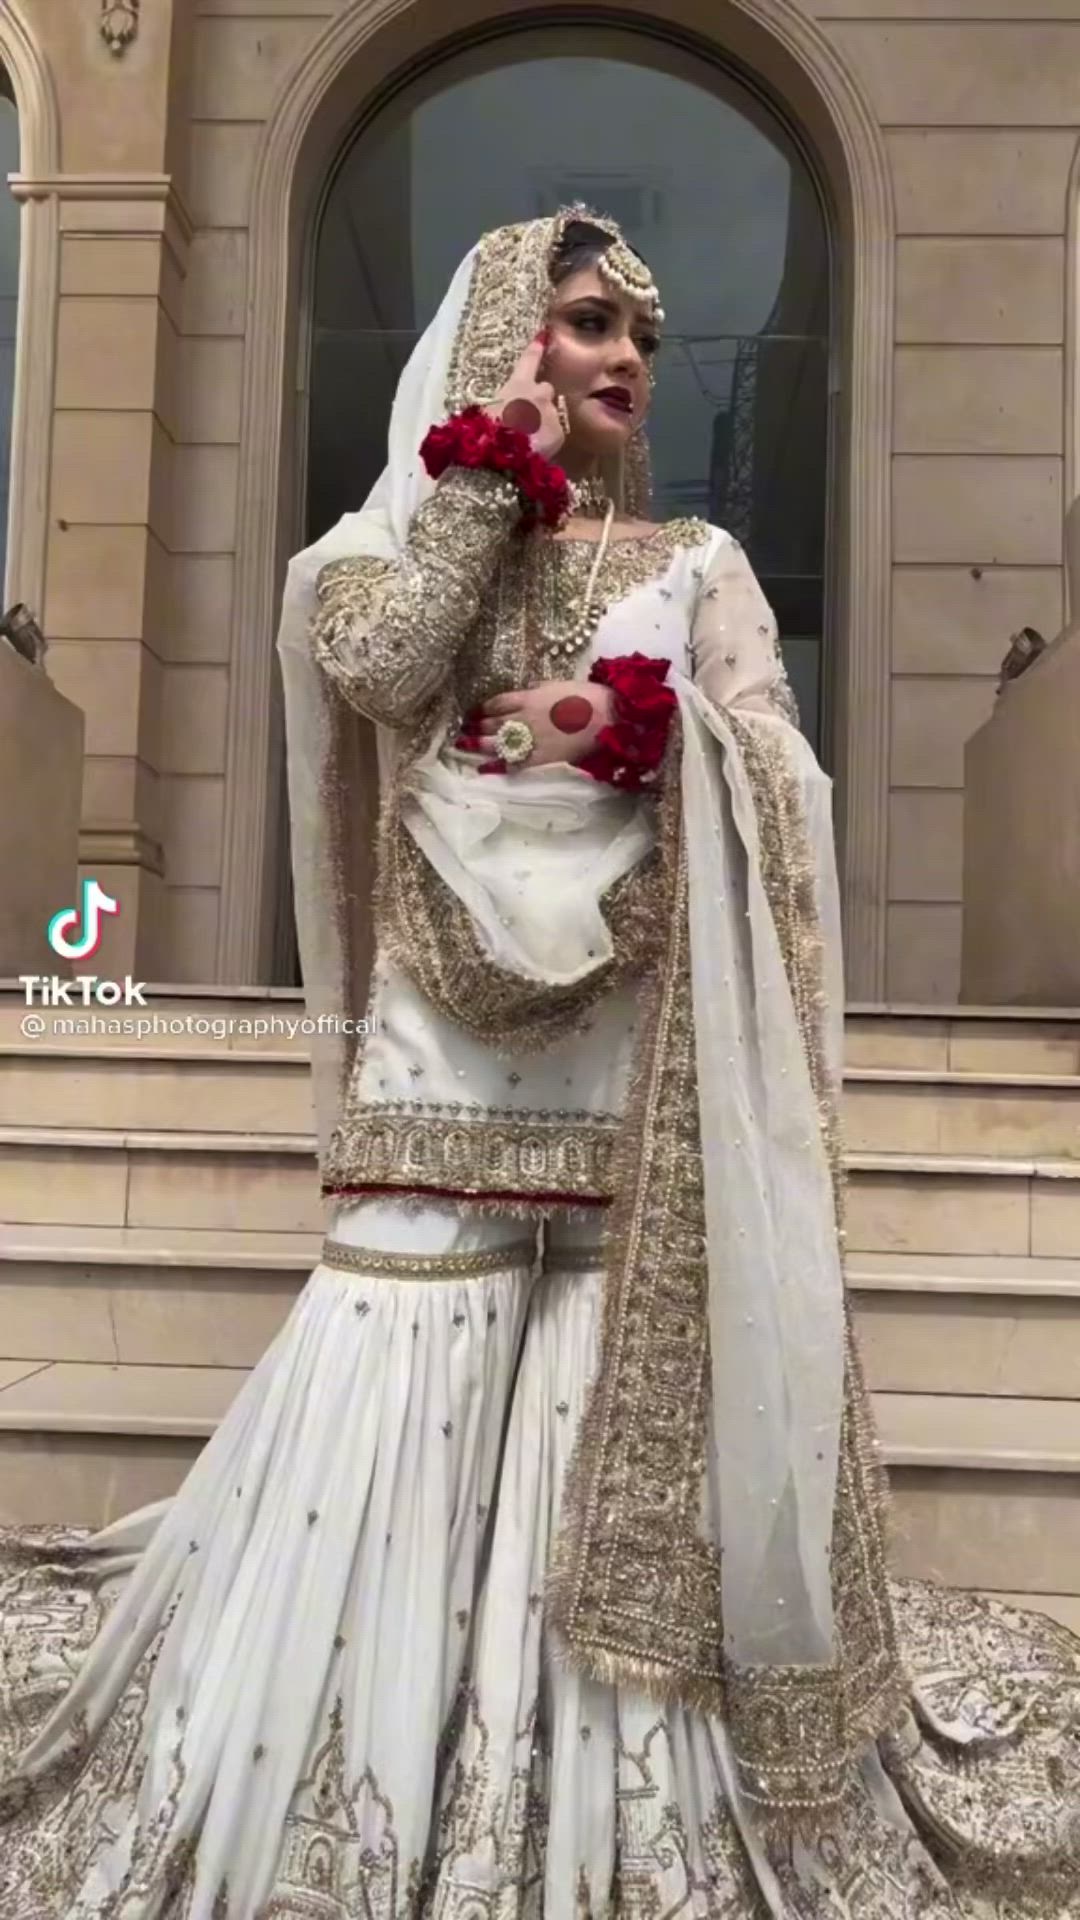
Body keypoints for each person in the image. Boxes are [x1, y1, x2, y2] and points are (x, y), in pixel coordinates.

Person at [1, 205, 1077, 1920]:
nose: (629, 358)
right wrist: (490, 475)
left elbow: (787, 790)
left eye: (639, 334)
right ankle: (352, 1804)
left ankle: (605, 1812)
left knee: (600, 1379)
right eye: (586, 324)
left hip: (626, 1065)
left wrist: (653, 736)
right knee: (402, 1347)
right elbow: (377, 669)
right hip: (440, 1073)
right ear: (513, 341)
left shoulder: (702, 560)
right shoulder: (386, 554)